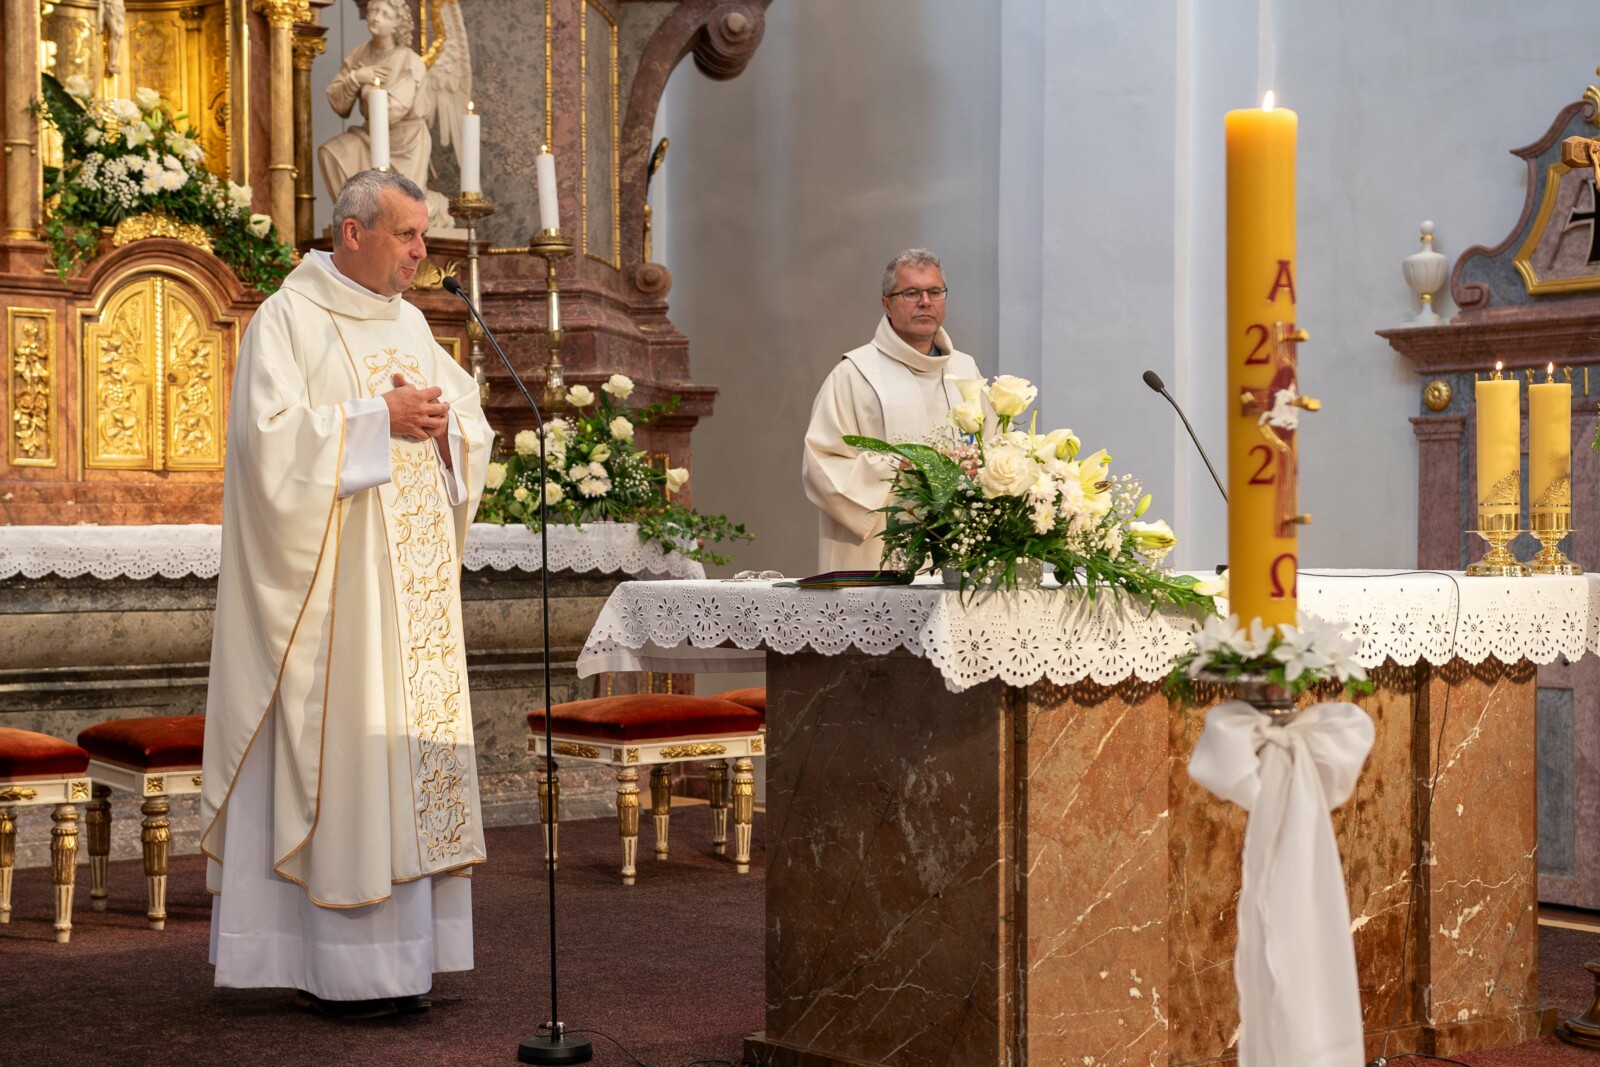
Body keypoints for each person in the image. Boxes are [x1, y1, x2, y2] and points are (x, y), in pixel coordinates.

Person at [200, 170, 493, 1019]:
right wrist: (376, 420)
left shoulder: (411, 322)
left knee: (404, 768)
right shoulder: (289, 319)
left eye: (423, 236)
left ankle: (407, 961)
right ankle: (334, 967)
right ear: (353, 232)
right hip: (337, 604)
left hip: (412, 603)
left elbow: (465, 417)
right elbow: (267, 445)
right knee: (348, 769)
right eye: (407, 235)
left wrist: (449, 428)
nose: (421, 252)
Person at [801, 248, 983, 572]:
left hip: (957, 551)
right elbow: (821, 465)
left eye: (935, 292)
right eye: (911, 293)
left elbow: (991, 448)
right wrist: (898, 468)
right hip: (877, 555)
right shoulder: (854, 375)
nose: (925, 302)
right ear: (886, 304)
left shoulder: (965, 370)